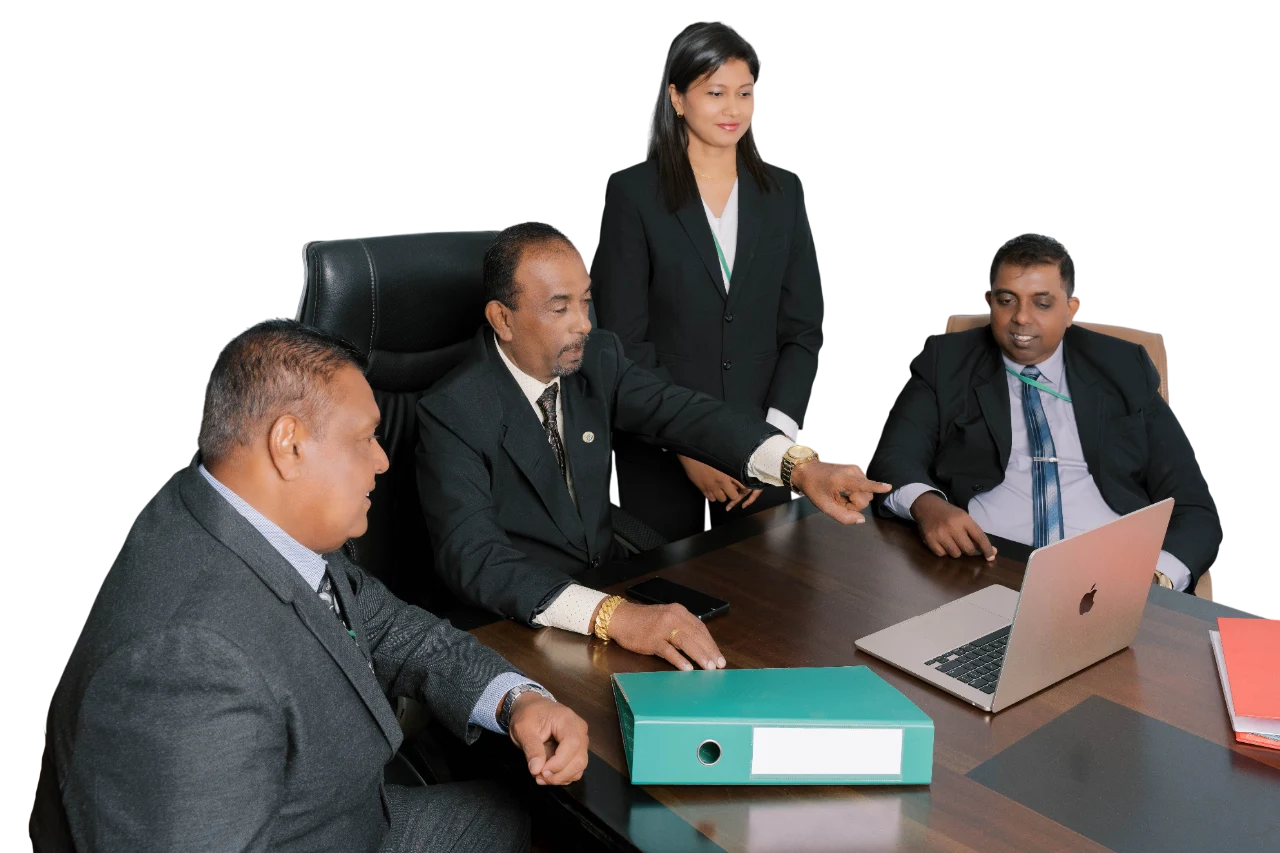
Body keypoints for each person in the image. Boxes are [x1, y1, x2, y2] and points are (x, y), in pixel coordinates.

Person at [37, 321, 589, 853]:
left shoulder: (242, 513)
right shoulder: (186, 666)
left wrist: (515, 700)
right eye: (365, 438)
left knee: (517, 814)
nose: (382, 460)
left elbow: (391, 627)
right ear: (290, 444)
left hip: (345, 817)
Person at [416, 223, 889, 673]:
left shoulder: (597, 359)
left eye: (585, 301)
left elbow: (683, 413)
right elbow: (474, 557)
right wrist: (613, 616)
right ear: (503, 319)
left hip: (608, 591)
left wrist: (799, 466)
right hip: (520, 623)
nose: (583, 324)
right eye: (560, 309)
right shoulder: (453, 409)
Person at [868, 234, 1220, 591]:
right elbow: (895, 457)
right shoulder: (947, 362)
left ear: (1071, 309)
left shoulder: (1123, 367)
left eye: (1042, 303)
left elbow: (1194, 508)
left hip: (1109, 578)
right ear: (990, 302)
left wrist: (1154, 577)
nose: (1022, 317)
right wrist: (927, 505)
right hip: (984, 569)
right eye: (1007, 300)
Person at [592, 22, 823, 542]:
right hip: (662, 457)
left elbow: (802, 327)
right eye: (715, 93)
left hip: (763, 455)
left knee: (772, 586)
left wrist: (772, 444)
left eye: (745, 93)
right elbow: (624, 339)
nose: (732, 109)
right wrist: (687, 446)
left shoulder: (782, 192)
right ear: (677, 99)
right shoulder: (635, 194)